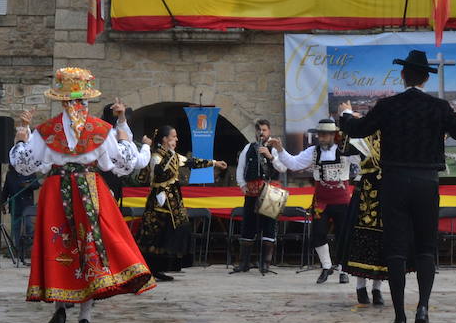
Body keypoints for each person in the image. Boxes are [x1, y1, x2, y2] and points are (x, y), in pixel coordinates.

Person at [336, 49, 456, 323]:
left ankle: (400, 319)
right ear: (426, 78)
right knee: (426, 248)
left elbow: (357, 129)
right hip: (427, 182)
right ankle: (423, 309)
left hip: (394, 182)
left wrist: (344, 113)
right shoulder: (438, 106)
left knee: (396, 251)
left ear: (403, 75)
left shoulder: (387, 105)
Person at [11, 68, 153, 323]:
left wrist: (22, 133)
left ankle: (59, 307)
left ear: (63, 102)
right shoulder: (102, 130)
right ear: (86, 101)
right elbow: (125, 163)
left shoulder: (47, 131)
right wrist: (123, 126)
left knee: (60, 246)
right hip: (90, 191)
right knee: (90, 247)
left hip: (56, 191)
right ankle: (84, 318)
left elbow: (24, 165)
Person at [270, 119, 359, 284]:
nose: (321, 137)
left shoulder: (346, 151)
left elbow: (364, 160)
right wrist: (280, 150)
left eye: (324, 134)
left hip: (342, 201)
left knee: (343, 235)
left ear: (333, 135)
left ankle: (342, 269)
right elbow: (294, 164)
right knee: (318, 233)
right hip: (321, 201)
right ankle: (326, 266)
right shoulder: (313, 152)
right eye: (319, 134)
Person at [139, 125, 225, 280]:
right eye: (173, 136)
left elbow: (192, 162)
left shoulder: (174, 156)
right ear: (165, 139)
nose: (176, 139)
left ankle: (164, 267)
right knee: (156, 233)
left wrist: (214, 163)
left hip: (174, 200)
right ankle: (151, 269)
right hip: (159, 201)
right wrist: (168, 154)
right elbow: (158, 173)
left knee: (176, 229)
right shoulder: (156, 156)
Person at [232, 119, 281, 275]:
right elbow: (241, 168)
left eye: (264, 130)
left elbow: (283, 167)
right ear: (255, 132)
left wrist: (270, 156)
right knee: (248, 225)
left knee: (269, 226)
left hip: (272, 191)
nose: (262, 133)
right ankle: (244, 263)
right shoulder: (248, 147)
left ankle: (265, 264)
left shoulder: (276, 148)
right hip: (252, 190)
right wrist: (242, 185)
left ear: (269, 131)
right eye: (259, 130)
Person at [342, 134, 386, 307]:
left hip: (387, 195)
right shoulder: (363, 138)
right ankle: (361, 287)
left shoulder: (392, 134)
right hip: (366, 197)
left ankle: (377, 288)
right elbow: (344, 149)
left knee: (383, 241)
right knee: (362, 240)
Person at [2, 166, 40, 261]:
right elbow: (6, 189)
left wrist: (28, 185)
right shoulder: (10, 174)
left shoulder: (30, 171)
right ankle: (18, 250)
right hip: (15, 204)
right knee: (16, 229)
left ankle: (28, 249)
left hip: (27, 205)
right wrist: (3, 202)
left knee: (29, 227)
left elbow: (36, 184)